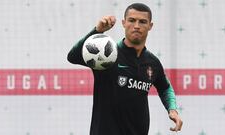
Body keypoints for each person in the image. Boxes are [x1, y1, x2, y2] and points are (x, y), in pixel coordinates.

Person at [67, 3, 183, 135]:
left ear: (150, 26)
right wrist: (97, 31)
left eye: (143, 22)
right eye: (132, 20)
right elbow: (73, 56)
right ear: (123, 23)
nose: (137, 26)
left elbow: (165, 87)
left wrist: (172, 109)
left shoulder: (153, 62)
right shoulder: (107, 54)